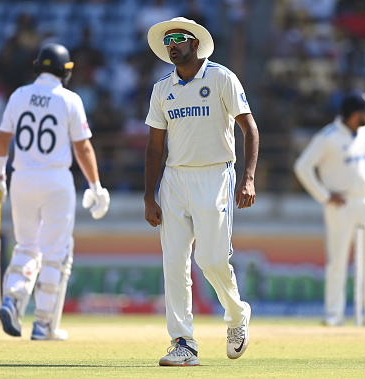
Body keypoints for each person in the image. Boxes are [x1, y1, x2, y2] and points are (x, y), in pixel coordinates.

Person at [144, 17, 259, 366]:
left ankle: (237, 315)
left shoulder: (221, 77)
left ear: (195, 43)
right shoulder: (162, 88)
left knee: (210, 260)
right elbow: (154, 147)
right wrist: (150, 195)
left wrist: (248, 177)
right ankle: (183, 342)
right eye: (168, 41)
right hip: (175, 180)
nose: (172, 45)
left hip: (215, 175)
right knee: (174, 262)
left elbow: (249, 129)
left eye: (178, 39)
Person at [0, 43, 110, 341]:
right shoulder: (69, 99)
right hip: (55, 182)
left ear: (37, 67)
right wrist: (95, 185)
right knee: (55, 254)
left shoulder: (19, 95)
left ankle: (12, 300)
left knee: (26, 247)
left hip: (22, 179)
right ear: (66, 72)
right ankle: (43, 325)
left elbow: (2, 141)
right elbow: (83, 147)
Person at [294, 91, 365, 326]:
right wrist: (325, 196)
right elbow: (303, 167)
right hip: (341, 205)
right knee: (337, 261)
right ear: (354, 114)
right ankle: (334, 314)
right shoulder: (328, 137)